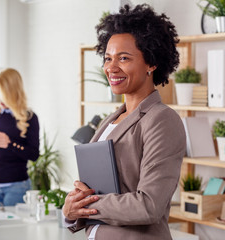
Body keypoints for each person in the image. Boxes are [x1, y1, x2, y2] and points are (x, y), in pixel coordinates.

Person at [63, 4, 186, 240]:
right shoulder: (109, 120)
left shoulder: (162, 120)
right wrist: (70, 210)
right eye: (108, 58)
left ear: (151, 63)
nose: (111, 67)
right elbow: (95, 189)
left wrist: (89, 204)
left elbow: (149, 205)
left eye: (124, 58)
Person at [0, 68, 40, 206]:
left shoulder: (30, 117)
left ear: (12, 92)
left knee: (13, 227)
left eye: (1, 93)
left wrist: (10, 143)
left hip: (17, 187)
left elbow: (34, 154)